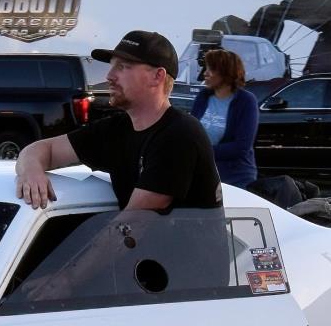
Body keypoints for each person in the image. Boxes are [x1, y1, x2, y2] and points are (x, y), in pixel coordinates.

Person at [14, 30, 222, 213]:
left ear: (157, 76)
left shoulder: (179, 134)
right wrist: (31, 172)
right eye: (112, 66)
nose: (109, 76)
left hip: (177, 248)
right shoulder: (115, 130)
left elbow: (132, 224)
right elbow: (41, 150)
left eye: (123, 67)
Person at [188, 48, 260, 191]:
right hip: (203, 173)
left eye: (211, 69)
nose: (205, 73)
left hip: (235, 178)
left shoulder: (246, 101)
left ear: (226, 72)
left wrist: (201, 152)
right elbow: (191, 132)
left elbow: (241, 147)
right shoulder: (203, 96)